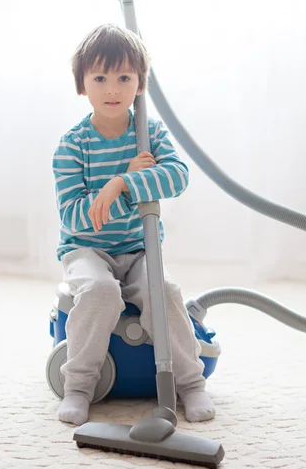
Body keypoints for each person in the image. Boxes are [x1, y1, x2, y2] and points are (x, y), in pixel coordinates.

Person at [52, 23, 215, 426]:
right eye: (100, 78)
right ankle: (79, 386)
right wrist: (120, 186)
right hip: (87, 250)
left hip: (139, 248)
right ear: (82, 85)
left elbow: (177, 177)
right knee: (101, 291)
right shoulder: (72, 145)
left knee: (167, 291)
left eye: (125, 77)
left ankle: (191, 384)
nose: (112, 89)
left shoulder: (150, 134)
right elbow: (75, 215)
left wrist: (122, 182)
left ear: (140, 83)